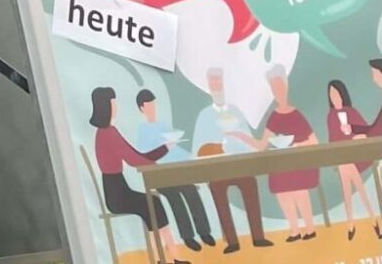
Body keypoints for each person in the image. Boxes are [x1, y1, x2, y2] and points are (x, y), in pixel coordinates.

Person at [90, 88, 190, 261]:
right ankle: (165, 257)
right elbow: (134, 159)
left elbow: (136, 155)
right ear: (105, 106)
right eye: (113, 103)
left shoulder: (106, 132)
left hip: (117, 188)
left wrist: (165, 147)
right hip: (117, 193)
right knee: (153, 204)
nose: (116, 107)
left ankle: (167, 258)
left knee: (153, 205)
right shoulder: (108, 133)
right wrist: (165, 149)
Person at [193, 66, 277, 252]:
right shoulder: (205, 116)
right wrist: (217, 146)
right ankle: (232, 241)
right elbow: (197, 149)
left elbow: (248, 139)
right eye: (213, 80)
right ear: (208, 84)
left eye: (219, 80)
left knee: (250, 185)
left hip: (239, 164)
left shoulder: (236, 112)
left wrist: (238, 138)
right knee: (219, 195)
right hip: (216, 167)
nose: (217, 84)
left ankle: (258, 236)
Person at [129, 89, 216, 252]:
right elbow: (146, 156)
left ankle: (204, 232)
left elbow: (175, 151)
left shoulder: (163, 126)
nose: (152, 109)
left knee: (191, 190)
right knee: (175, 197)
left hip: (175, 172)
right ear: (142, 109)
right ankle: (188, 236)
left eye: (153, 105)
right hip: (159, 176)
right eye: (149, 106)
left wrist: (189, 156)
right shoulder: (143, 130)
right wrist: (165, 147)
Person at [263, 68, 319, 242]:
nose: (278, 92)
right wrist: (240, 137)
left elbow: (314, 141)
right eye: (274, 89)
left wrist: (297, 145)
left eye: (280, 87)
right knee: (282, 193)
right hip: (281, 165)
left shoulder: (296, 114)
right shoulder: (273, 117)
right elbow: (263, 143)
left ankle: (309, 229)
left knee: (300, 193)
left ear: (286, 88)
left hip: (299, 163)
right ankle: (294, 230)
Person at [328, 81, 382, 237]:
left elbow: (365, 132)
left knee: (356, 187)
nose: (335, 98)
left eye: (337, 94)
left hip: (355, 156)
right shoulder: (330, 116)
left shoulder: (351, 112)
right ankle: (367, 222)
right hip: (342, 158)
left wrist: (352, 134)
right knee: (349, 188)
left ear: (342, 95)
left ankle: (361, 222)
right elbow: (332, 139)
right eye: (332, 95)